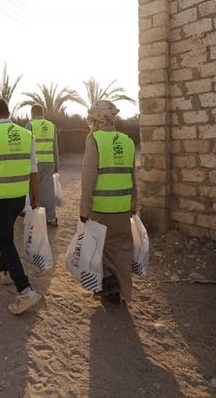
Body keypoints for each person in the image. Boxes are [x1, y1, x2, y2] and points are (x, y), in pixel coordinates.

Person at [0, 99, 42, 315]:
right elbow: (33, 171)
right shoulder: (26, 134)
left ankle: (25, 289)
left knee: (5, 241)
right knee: (7, 235)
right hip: (18, 198)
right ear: (8, 113)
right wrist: (36, 199)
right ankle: (4, 271)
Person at [79, 100, 138, 304]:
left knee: (100, 248)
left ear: (95, 118)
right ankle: (122, 290)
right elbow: (132, 176)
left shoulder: (94, 140)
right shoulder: (127, 141)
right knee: (121, 250)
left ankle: (106, 282)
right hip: (122, 208)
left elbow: (88, 177)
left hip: (101, 208)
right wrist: (133, 204)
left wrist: (84, 209)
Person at [25, 105, 60, 227]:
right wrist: (57, 164)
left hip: (34, 163)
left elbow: (26, 147)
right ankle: (50, 217)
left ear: (32, 113)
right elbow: (55, 147)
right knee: (48, 191)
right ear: (42, 112)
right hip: (49, 162)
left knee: (31, 190)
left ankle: (33, 216)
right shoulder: (52, 126)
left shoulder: (29, 125)